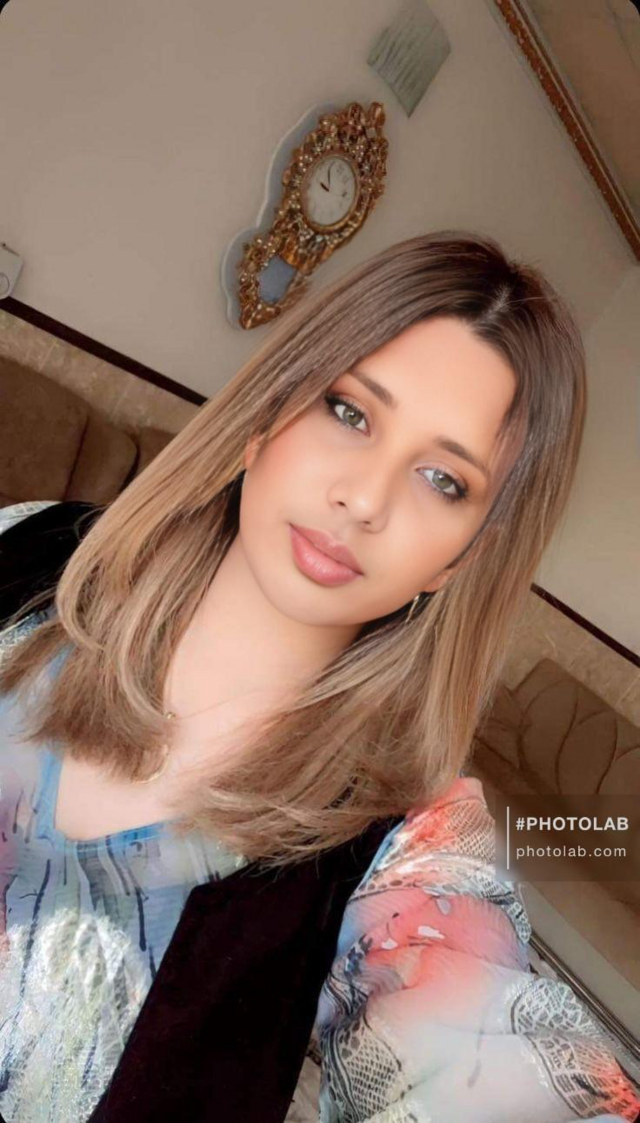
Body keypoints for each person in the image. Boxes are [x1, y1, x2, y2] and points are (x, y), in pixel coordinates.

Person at [0, 230, 638, 1123]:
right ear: (269, 415)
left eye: (442, 479)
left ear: (459, 560)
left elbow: (495, 1060)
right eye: (350, 411)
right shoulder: (30, 547)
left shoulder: (407, 845)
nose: (365, 499)